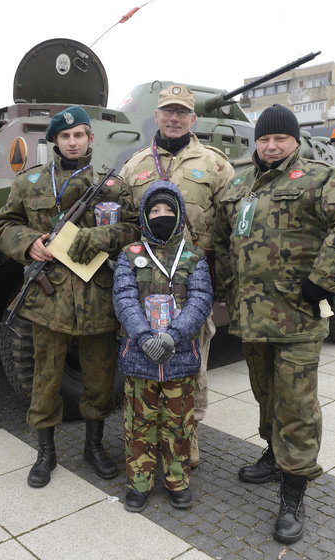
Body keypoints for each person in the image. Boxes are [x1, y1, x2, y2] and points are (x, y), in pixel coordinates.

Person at [213, 104, 335, 544]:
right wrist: (228, 286)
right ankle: (273, 455)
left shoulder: (318, 177)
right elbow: (221, 239)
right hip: (251, 318)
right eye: (264, 139)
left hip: (298, 319)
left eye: (279, 139)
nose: (270, 146)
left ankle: (293, 492)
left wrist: (322, 280)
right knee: (266, 394)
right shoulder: (239, 183)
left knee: (297, 406)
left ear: (294, 141)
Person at [0, 106, 138, 488]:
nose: (72, 142)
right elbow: (4, 224)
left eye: (79, 135)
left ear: (90, 138)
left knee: (100, 380)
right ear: (54, 141)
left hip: (98, 297)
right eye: (64, 136)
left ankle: (94, 447)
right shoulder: (31, 182)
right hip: (49, 299)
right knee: (45, 379)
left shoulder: (111, 185)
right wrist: (29, 244)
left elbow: (132, 228)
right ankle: (46, 452)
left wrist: (95, 238)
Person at [119, 84, 234, 468]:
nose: (174, 118)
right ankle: (145, 440)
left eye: (182, 112)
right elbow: (121, 222)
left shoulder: (216, 165)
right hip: (143, 286)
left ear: (193, 119)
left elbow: (231, 225)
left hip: (192, 284)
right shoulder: (135, 166)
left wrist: (225, 282)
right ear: (156, 116)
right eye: (168, 111)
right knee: (142, 361)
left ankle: (187, 438)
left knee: (193, 363)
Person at [113, 182, 213, 513]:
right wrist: (142, 336)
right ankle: (139, 482)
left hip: (179, 358)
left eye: (169, 210)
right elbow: (124, 298)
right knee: (138, 425)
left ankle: (177, 481)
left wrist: (173, 335)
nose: (162, 215)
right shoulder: (130, 255)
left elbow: (200, 300)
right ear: (144, 216)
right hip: (140, 359)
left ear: (180, 215)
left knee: (178, 425)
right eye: (155, 210)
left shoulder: (193, 256)